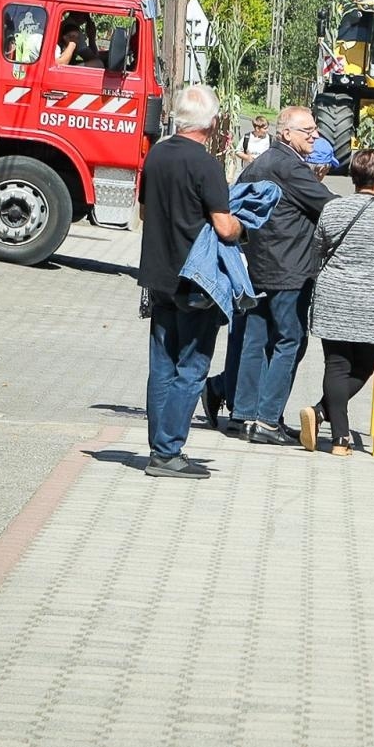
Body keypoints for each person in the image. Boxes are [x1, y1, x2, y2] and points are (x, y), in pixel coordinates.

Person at [136, 84, 243, 479]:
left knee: (162, 365)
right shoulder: (206, 164)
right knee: (192, 367)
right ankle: (168, 451)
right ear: (212, 123)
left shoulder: (157, 155)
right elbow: (223, 226)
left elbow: (145, 213)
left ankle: (157, 447)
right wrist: (243, 227)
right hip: (196, 281)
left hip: (158, 275)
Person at [299, 149, 374, 455]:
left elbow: (317, 249)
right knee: (365, 366)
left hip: (334, 296)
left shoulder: (333, 209)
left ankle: (336, 435)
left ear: (353, 177)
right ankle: (320, 415)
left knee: (337, 364)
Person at [231, 105, 335, 444]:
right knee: (291, 339)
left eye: (315, 130)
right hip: (289, 268)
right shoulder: (291, 166)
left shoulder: (260, 164)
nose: (315, 135)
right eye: (309, 131)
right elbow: (329, 206)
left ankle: (245, 415)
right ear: (286, 133)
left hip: (258, 265)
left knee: (255, 340)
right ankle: (267, 420)